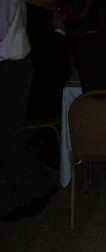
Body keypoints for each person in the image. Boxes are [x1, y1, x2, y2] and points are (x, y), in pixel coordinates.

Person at [1, 0, 59, 222]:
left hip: (11, 68)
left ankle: (40, 187)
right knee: (6, 139)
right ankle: (28, 195)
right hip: (11, 67)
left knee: (7, 138)